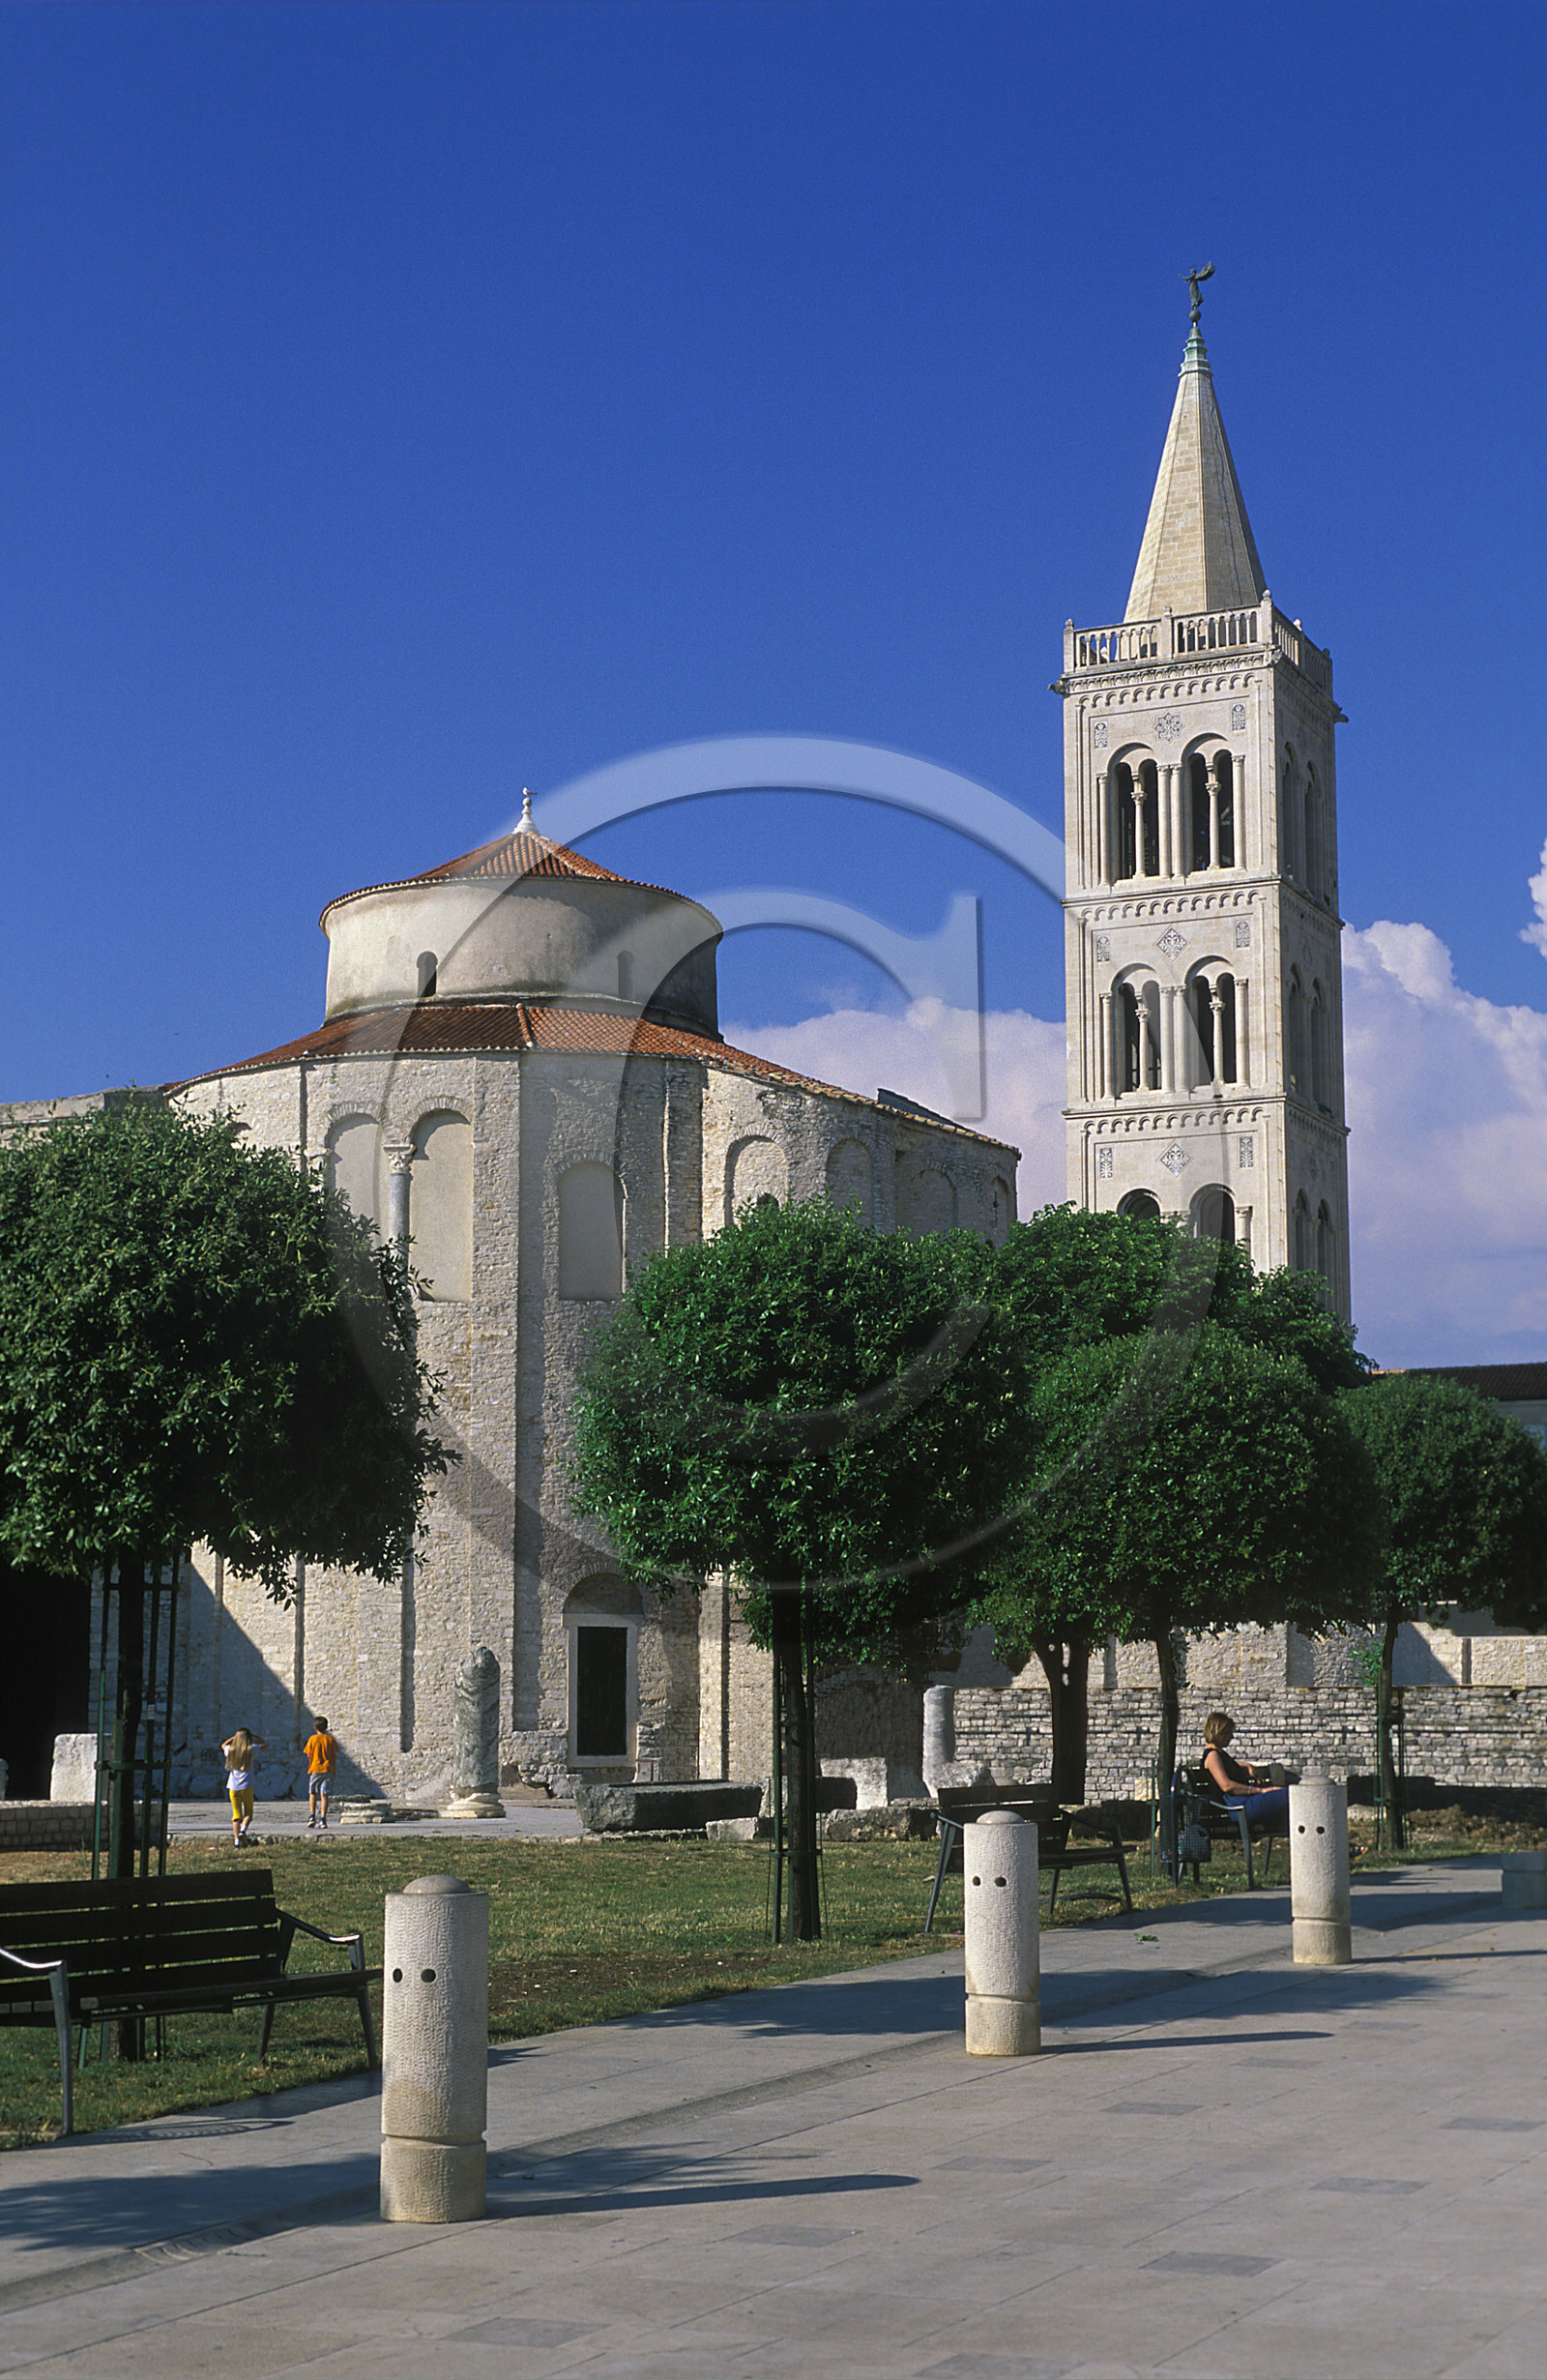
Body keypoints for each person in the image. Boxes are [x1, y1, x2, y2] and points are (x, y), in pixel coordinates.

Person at [1200, 1711, 1290, 1828]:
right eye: (1228, 1733)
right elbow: (1227, 1786)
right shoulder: (1212, 1756)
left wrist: (1247, 1766)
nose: (1231, 1737)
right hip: (1238, 1806)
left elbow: (1227, 1765)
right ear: (1219, 1732)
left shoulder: (1218, 1754)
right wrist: (1261, 1791)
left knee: (1290, 1797)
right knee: (1291, 1794)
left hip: (1242, 1803)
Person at [221, 1727, 267, 1846]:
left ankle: (237, 1841)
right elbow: (265, 1745)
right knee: (248, 1813)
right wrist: (256, 1736)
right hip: (247, 1785)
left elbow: (223, 1745)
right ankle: (243, 1831)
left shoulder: (230, 1750)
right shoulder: (251, 1750)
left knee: (236, 1814)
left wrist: (234, 1738)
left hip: (233, 1786)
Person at [303, 1717, 338, 1830]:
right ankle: (323, 1818)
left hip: (315, 1769)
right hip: (328, 1769)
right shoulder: (330, 1739)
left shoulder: (312, 1739)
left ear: (315, 1727)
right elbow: (334, 1754)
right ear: (326, 1727)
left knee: (312, 1792)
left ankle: (312, 1816)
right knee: (325, 1795)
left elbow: (308, 1755)